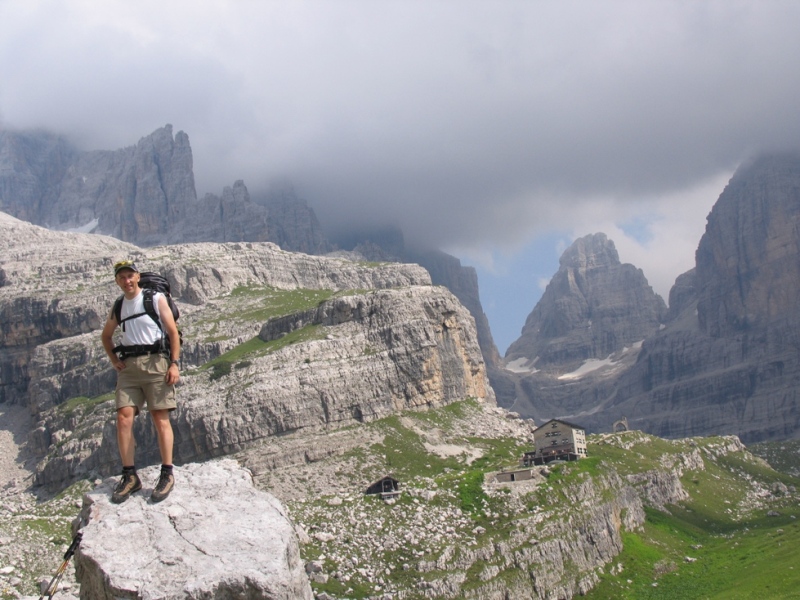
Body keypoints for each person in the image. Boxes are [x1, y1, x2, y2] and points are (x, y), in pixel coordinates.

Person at [101, 260, 181, 503]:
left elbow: (172, 332)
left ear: (137, 276)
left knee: (160, 418)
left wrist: (174, 363)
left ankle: (167, 473)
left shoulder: (155, 299)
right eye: (121, 277)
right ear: (117, 281)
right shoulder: (118, 306)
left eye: (129, 276)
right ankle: (130, 475)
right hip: (129, 369)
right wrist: (114, 359)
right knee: (123, 418)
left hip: (156, 362)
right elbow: (106, 336)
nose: (126, 281)